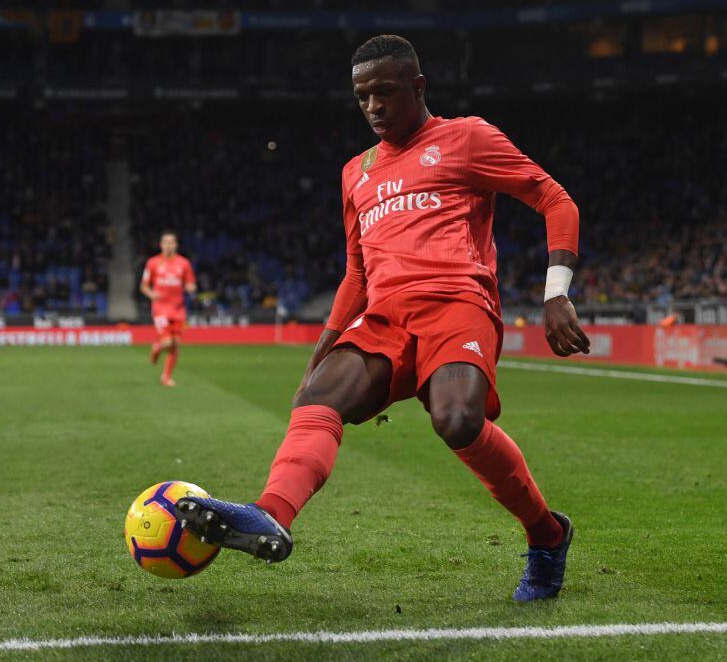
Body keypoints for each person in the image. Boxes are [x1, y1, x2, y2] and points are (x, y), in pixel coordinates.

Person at [174, 35, 590, 602]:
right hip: (384, 317)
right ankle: (269, 515)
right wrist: (321, 351)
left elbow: (554, 199)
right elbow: (356, 274)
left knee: (457, 420)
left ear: (418, 88)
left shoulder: (466, 138)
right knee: (316, 400)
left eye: (385, 92)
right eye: (362, 96)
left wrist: (556, 293)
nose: (373, 106)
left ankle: (547, 535)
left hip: (457, 302)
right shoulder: (356, 172)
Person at [140, 231, 197, 387]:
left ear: (176, 245)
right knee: (166, 342)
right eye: (165, 242)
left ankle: (166, 377)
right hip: (160, 308)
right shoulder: (153, 263)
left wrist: (190, 287)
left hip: (178, 309)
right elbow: (144, 286)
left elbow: (190, 282)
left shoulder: (184, 264)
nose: (168, 245)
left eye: (171, 242)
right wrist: (152, 294)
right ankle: (157, 346)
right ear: (161, 245)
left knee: (176, 344)